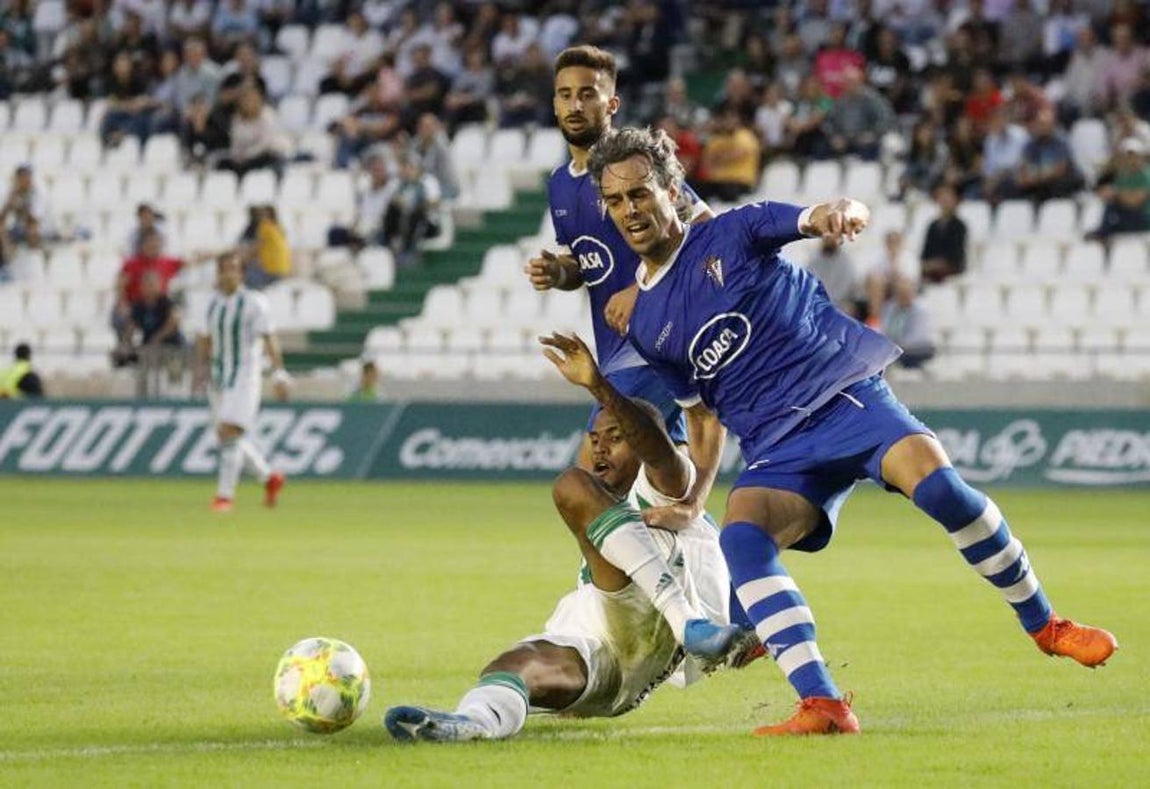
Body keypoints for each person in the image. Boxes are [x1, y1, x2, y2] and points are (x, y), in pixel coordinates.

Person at [585, 126, 1117, 736]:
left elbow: (826, 214)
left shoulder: (735, 230)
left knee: (941, 490)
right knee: (744, 542)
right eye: (617, 201)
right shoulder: (643, 319)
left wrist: (843, 212)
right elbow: (700, 417)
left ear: (670, 189)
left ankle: (1048, 626)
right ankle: (824, 705)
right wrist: (692, 502)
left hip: (844, 397)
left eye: (641, 193)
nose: (630, 209)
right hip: (776, 447)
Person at [384, 349, 760, 743]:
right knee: (516, 664)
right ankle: (473, 723)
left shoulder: (669, 490)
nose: (600, 449)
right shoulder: (606, 513)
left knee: (570, 486)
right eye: (595, 439)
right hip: (610, 662)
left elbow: (651, 435)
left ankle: (688, 625)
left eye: (616, 438)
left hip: (657, 626)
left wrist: (599, 386)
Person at [524, 45, 714, 493]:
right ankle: (694, 562)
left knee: (592, 480)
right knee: (667, 486)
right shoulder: (558, 184)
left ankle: (602, 568)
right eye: (565, 95)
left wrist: (644, 287)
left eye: (587, 94)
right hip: (614, 353)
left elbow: (709, 235)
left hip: (658, 342)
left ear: (611, 104)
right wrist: (560, 272)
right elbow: (588, 265)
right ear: (554, 103)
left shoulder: (635, 168)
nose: (575, 105)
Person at [193, 253, 288, 513]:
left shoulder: (254, 302)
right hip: (219, 376)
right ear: (218, 273)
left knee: (230, 431)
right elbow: (204, 338)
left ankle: (225, 497)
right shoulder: (209, 304)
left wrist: (278, 372)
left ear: (241, 273)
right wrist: (200, 370)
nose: (229, 274)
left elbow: (269, 337)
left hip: (245, 375)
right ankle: (269, 478)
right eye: (225, 269)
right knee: (225, 437)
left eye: (234, 269)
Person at [1087, 137, 1150, 240]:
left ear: (1141, 156)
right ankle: (1104, 232)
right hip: (1130, 216)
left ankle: (1103, 232)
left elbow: (1135, 202)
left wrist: (1115, 194)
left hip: (1143, 218)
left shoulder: (1146, 175)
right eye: (1128, 156)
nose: (1131, 159)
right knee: (1110, 207)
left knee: (1112, 207)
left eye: (1134, 155)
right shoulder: (1122, 175)